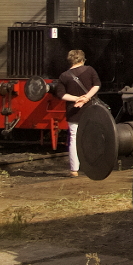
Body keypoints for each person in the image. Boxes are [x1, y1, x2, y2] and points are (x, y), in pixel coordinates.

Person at [54, 49, 101, 178]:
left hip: (73, 110)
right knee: (91, 137)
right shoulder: (90, 70)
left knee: (74, 139)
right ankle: (92, 165)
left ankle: (74, 169)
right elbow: (97, 85)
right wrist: (86, 98)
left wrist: (76, 99)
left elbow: (61, 94)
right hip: (90, 109)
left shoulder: (64, 76)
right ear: (82, 60)